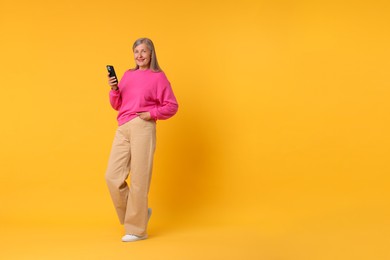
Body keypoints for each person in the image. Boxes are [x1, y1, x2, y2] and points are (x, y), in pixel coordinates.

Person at [105, 38, 178, 242]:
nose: (139, 55)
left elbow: (172, 105)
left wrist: (151, 113)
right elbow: (117, 104)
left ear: (151, 54)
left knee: (139, 179)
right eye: (136, 51)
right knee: (112, 176)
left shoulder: (158, 77)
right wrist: (114, 90)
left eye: (144, 51)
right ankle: (139, 215)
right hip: (123, 127)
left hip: (143, 127)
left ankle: (137, 230)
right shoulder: (128, 75)